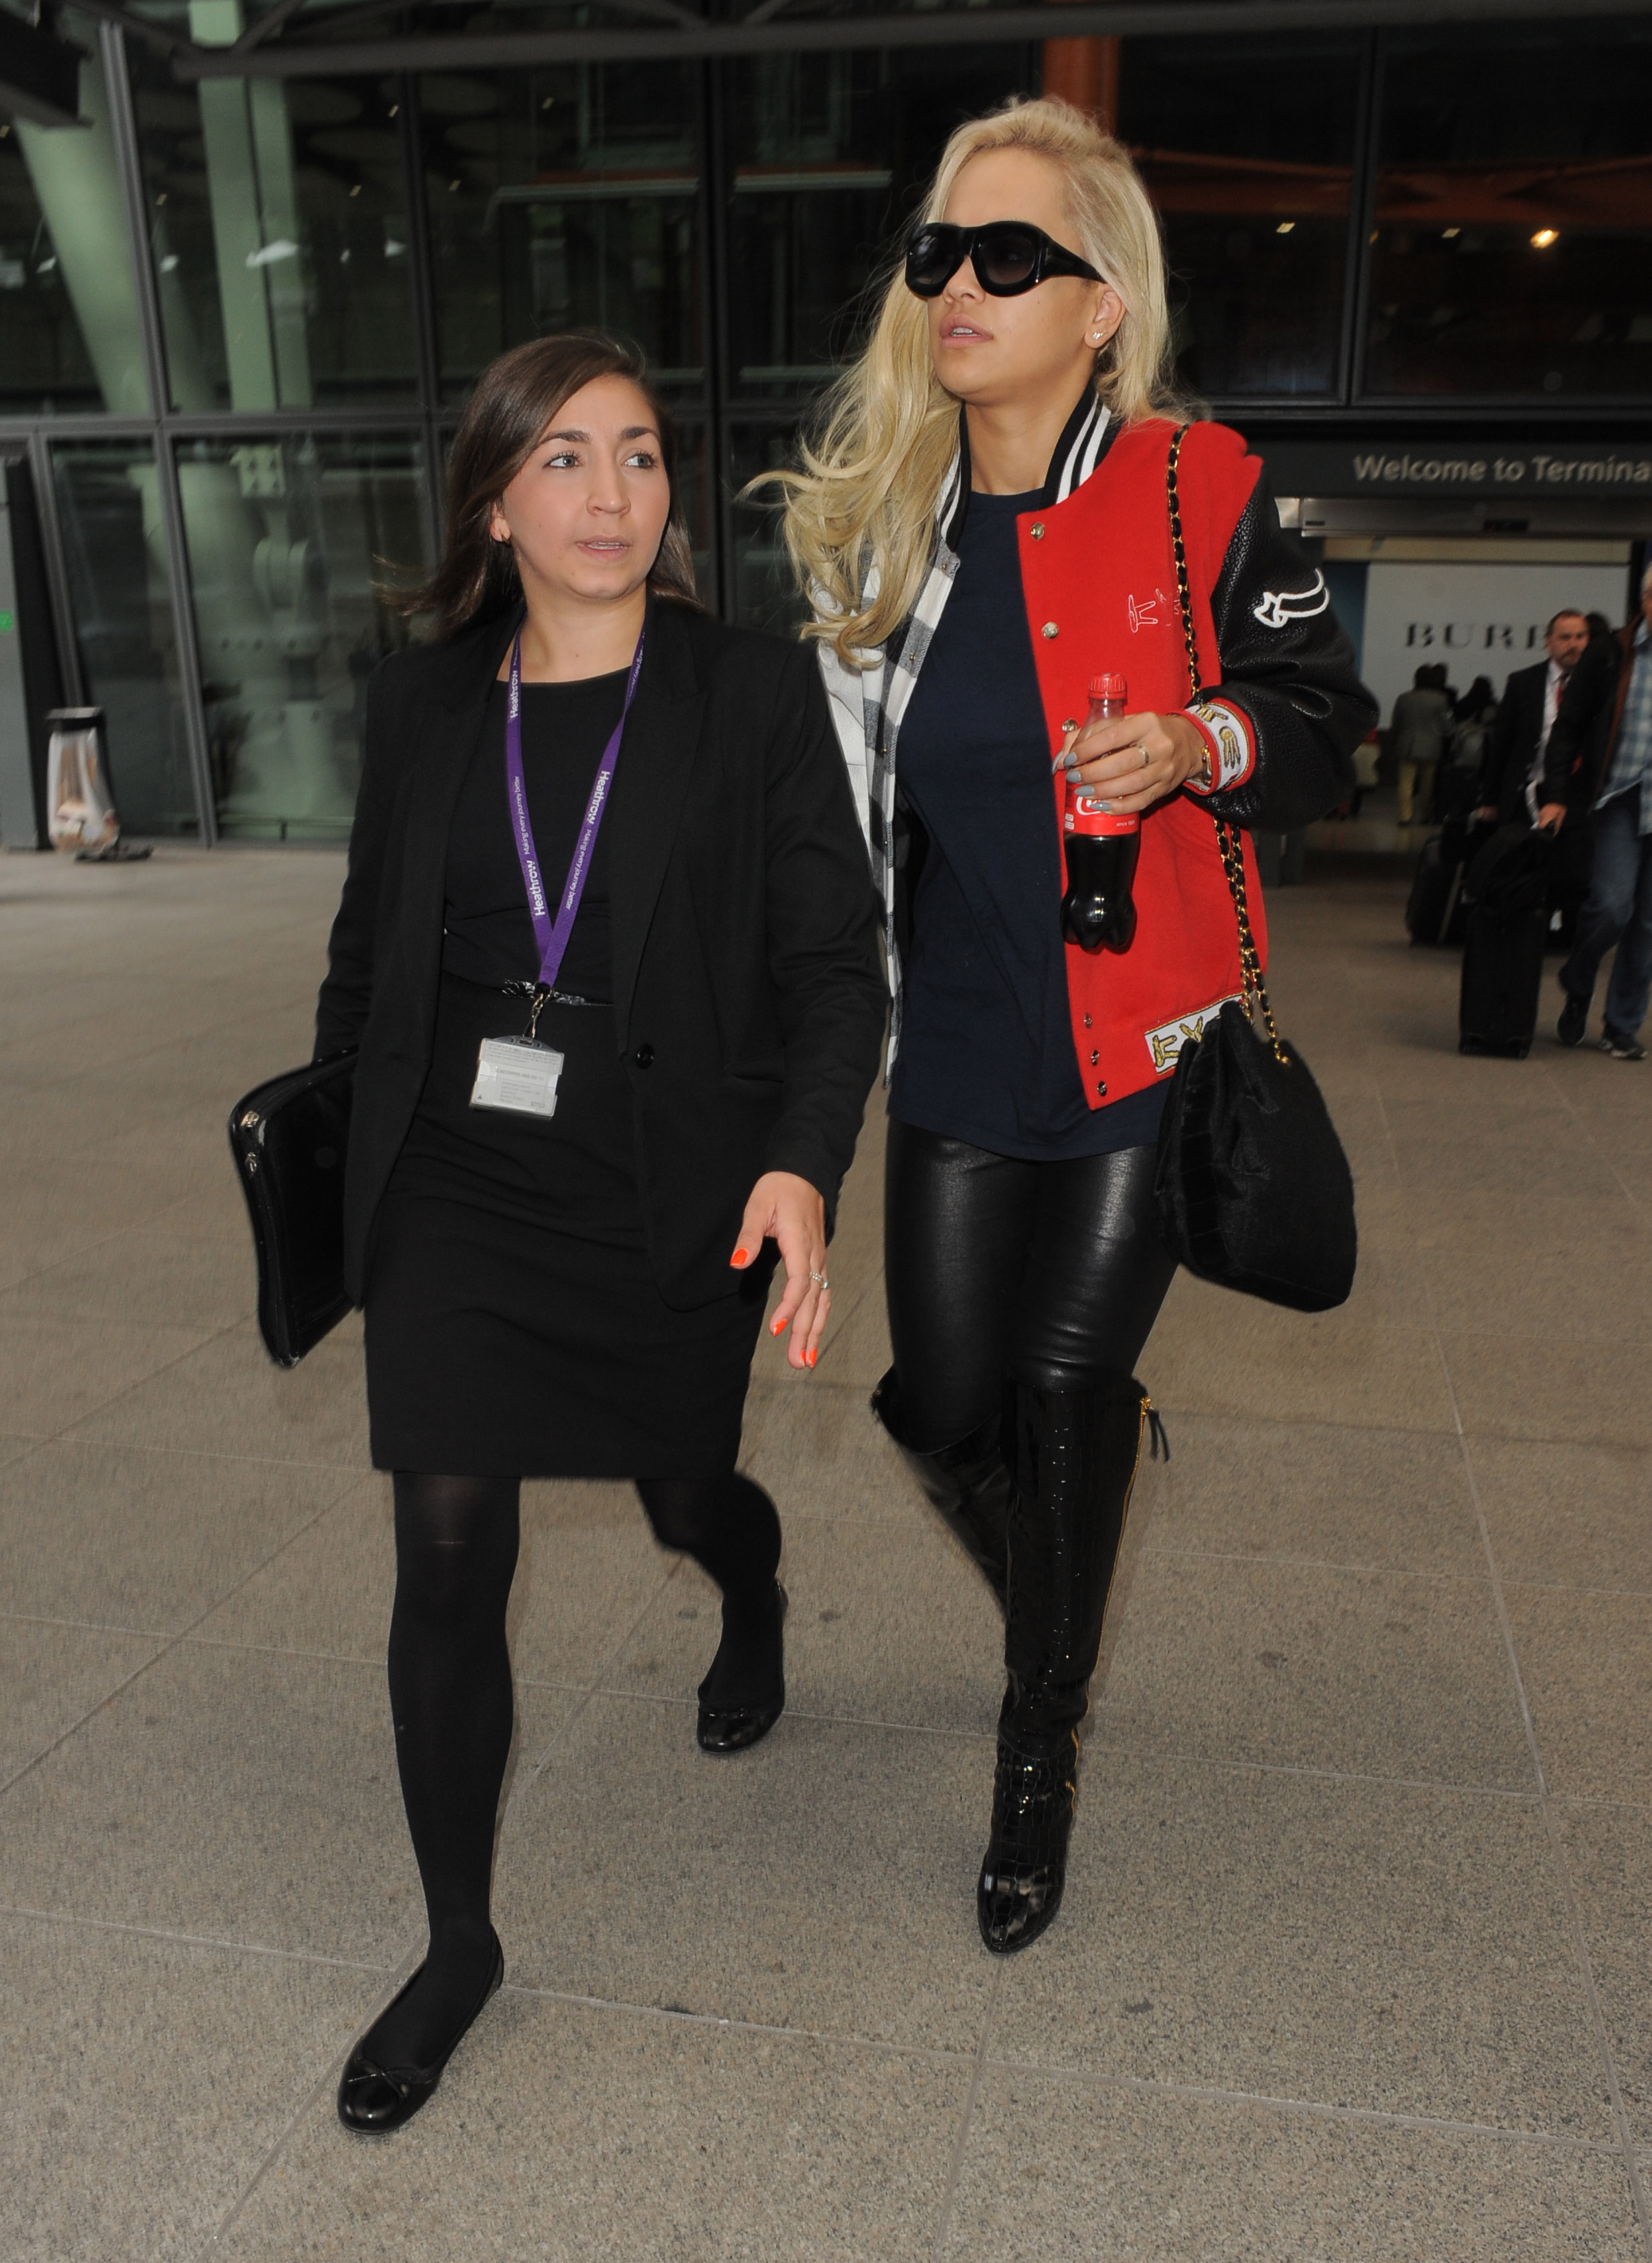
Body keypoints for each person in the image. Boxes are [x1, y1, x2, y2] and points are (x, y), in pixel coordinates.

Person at [769, 95, 1373, 1955]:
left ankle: (1036, 1742)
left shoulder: (1201, 487)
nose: (958, 283)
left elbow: (1325, 725)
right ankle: (1070, 1531)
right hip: (953, 1044)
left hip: (1146, 1045)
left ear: (1099, 304)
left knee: (1049, 1382)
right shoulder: (880, 529)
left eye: (1009, 254)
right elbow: (827, 822)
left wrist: (1198, 738)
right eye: (938, 251)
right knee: (939, 1399)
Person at [315, 333, 885, 2130]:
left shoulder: (746, 693)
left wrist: (799, 1165)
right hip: (454, 1184)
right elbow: (363, 955)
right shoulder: (423, 703)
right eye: (561, 456)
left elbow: (833, 964)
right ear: (494, 499)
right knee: (445, 1535)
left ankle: (752, 1590)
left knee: (679, 1489)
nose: (609, 491)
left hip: (662, 1176)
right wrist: (341, 1162)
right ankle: (458, 1934)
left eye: (636, 453)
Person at [1551, 564, 1652, 1059]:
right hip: (1620, 797)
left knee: (1648, 924)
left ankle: (1621, 1024)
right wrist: (1556, 793)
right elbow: (1569, 724)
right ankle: (1579, 979)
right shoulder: (1611, 652)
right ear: (1646, 601)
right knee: (1611, 907)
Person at [1473, 611, 1588, 828]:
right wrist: (1489, 797)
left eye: (1580, 637)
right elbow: (1502, 743)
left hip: (1578, 793)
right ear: (1548, 642)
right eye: (1565, 638)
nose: (1573, 644)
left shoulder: (1598, 685)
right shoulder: (1523, 683)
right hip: (1528, 791)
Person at [1390, 664, 1452, 827]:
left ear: (1415, 679)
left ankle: (1405, 816)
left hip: (1407, 745)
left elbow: (1396, 724)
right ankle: (1425, 815)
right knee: (1427, 784)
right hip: (1431, 747)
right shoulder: (1440, 699)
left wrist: (1394, 742)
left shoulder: (1403, 698)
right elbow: (1446, 726)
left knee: (1405, 783)